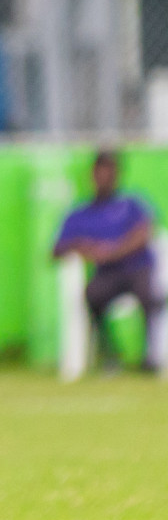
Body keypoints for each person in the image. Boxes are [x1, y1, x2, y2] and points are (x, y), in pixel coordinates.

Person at [53, 149, 161, 373]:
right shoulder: (80, 213)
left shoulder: (131, 205)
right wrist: (84, 247)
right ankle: (110, 355)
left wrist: (113, 251)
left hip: (136, 269)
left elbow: (145, 232)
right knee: (92, 295)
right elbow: (56, 250)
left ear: (118, 174)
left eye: (109, 170)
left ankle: (151, 355)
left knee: (148, 294)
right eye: (100, 170)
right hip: (106, 275)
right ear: (92, 174)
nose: (104, 176)